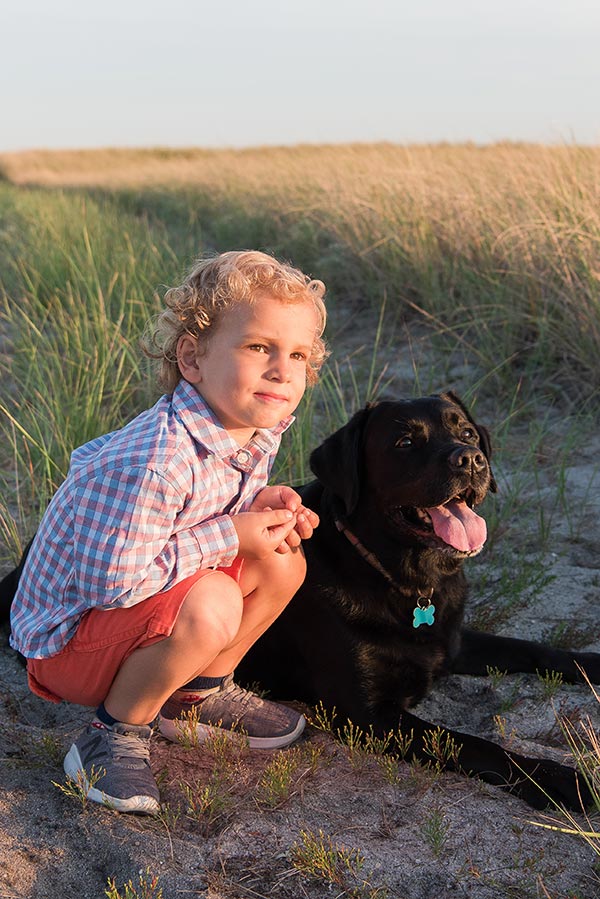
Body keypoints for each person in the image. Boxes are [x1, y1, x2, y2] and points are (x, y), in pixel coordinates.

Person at [10, 249, 328, 815]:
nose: (283, 369)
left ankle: (194, 697)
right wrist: (231, 536)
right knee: (212, 600)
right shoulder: (155, 461)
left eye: (298, 354)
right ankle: (111, 734)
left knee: (283, 558)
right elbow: (116, 585)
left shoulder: (252, 427)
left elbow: (201, 515)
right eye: (259, 347)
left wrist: (258, 506)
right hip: (70, 642)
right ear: (192, 358)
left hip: (138, 613)